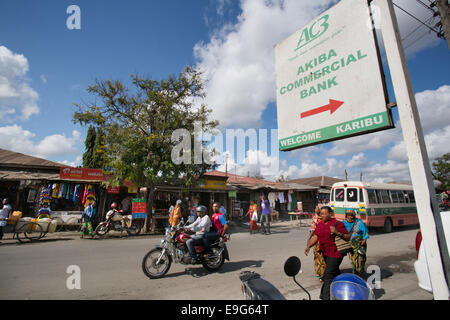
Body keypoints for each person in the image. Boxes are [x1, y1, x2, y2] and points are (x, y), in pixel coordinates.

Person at [304, 206, 350, 300]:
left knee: (328, 275)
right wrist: (308, 246)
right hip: (325, 253)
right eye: (321, 213)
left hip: (336, 253)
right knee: (335, 273)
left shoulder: (337, 224)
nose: (322, 215)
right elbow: (316, 236)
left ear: (330, 214)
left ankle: (325, 296)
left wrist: (337, 232)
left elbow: (347, 237)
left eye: (324, 213)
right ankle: (340, 292)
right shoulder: (320, 225)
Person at [342, 208, 370, 276]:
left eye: (351, 215)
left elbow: (365, 233)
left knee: (360, 259)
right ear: (346, 215)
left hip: (360, 244)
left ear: (354, 215)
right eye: (348, 215)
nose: (350, 217)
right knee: (353, 260)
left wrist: (364, 240)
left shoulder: (359, 222)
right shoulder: (343, 223)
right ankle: (356, 273)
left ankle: (360, 273)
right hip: (350, 245)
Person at [308, 205, 326, 281]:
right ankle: (322, 274)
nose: (315, 209)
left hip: (319, 241)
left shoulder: (317, 219)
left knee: (319, 258)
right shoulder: (321, 218)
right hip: (322, 240)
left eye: (316, 208)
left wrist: (309, 239)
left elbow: (312, 230)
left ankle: (321, 274)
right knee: (322, 258)